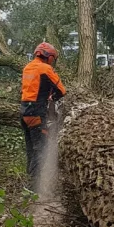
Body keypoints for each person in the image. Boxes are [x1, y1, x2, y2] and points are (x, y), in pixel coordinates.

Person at [21, 42, 66, 190]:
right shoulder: (45, 69)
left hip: (24, 113)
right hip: (37, 114)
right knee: (41, 151)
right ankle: (34, 188)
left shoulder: (28, 67)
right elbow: (61, 90)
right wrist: (53, 97)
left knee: (31, 151)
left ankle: (29, 184)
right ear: (49, 57)